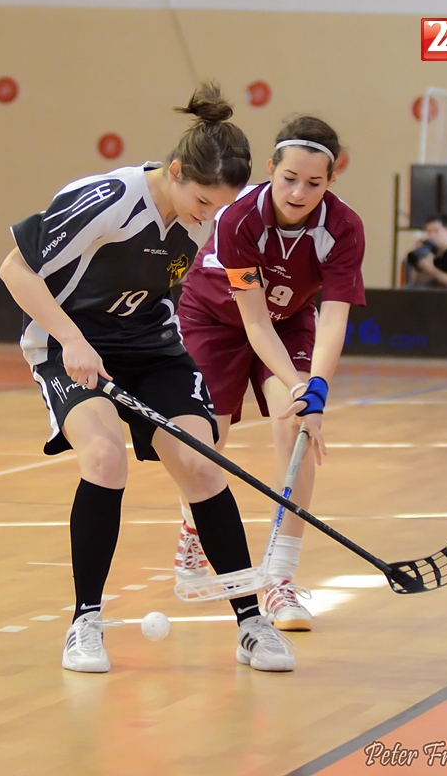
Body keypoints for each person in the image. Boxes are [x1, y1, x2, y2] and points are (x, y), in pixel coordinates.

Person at [0, 82, 296, 674]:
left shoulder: (199, 219)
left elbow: (184, 291)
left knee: (202, 464)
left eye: (217, 208)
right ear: (177, 170)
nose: (207, 216)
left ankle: (250, 623)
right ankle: (85, 623)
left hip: (152, 350)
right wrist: (73, 340)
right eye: (202, 201)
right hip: (70, 346)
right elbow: (15, 269)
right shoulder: (107, 198)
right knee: (105, 457)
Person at [173, 114, 366, 631]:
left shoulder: (343, 228)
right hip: (215, 318)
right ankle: (192, 527)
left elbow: (334, 318)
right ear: (270, 169)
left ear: (331, 181)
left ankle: (280, 579)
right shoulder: (239, 218)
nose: (300, 192)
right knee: (207, 439)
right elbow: (254, 320)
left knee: (296, 422)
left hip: (291, 320)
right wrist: (300, 382)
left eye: (315, 183)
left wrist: (314, 390)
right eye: (290, 178)